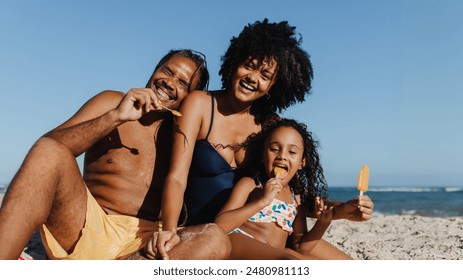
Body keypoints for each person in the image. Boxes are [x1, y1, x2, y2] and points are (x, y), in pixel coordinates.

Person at [150, 19, 373, 260]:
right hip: (216, 230)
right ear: (235, 62)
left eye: (265, 75)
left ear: (273, 86)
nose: (253, 78)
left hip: (264, 227)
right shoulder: (201, 104)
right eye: (249, 66)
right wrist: (170, 230)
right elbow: (176, 177)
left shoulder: (270, 124)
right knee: (294, 263)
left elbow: (293, 199)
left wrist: (344, 210)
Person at [0, 49, 231, 260]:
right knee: (48, 150)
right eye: (167, 71)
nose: (169, 83)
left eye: (182, 83)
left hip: (142, 245)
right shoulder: (112, 101)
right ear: (154, 71)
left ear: (191, 96)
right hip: (85, 226)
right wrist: (115, 117)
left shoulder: (185, 136)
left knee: (215, 238)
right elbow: (48, 149)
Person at [215, 118, 333, 259]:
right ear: (262, 156)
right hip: (240, 242)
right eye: (274, 149)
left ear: (302, 163)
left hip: (273, 255)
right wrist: (262, 201)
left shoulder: (296, 199)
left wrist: (322, 224)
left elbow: (300, 247)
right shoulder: (251, 185)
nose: (282, 156)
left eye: (292, 152)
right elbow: (219, 225)